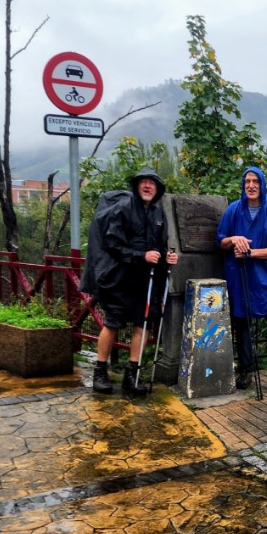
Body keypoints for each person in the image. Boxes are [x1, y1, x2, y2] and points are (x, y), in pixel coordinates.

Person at [80, 167, 178, 396]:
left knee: (142, 324)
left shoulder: (157, 213)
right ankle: (100, 372)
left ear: (157, 189)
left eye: (152, 183)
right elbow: (112, 244)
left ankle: (131, 375)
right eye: (143, 182)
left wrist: (167, 257)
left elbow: (159, 248)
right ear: (136, 186)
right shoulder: (123, 208)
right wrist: (140, 256)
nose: (147, 186)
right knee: (113, 323)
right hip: (119, 278)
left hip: (145, 281)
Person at [217, 166, 267, 393]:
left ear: (262, 185)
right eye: (247, 182)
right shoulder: (233, 210)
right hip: (240, 275)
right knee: (242, 324)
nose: (251, 185)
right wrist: (234, 239)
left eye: (255, 181)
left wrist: (251, 252)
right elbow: (220, 241)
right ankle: (246, 369)